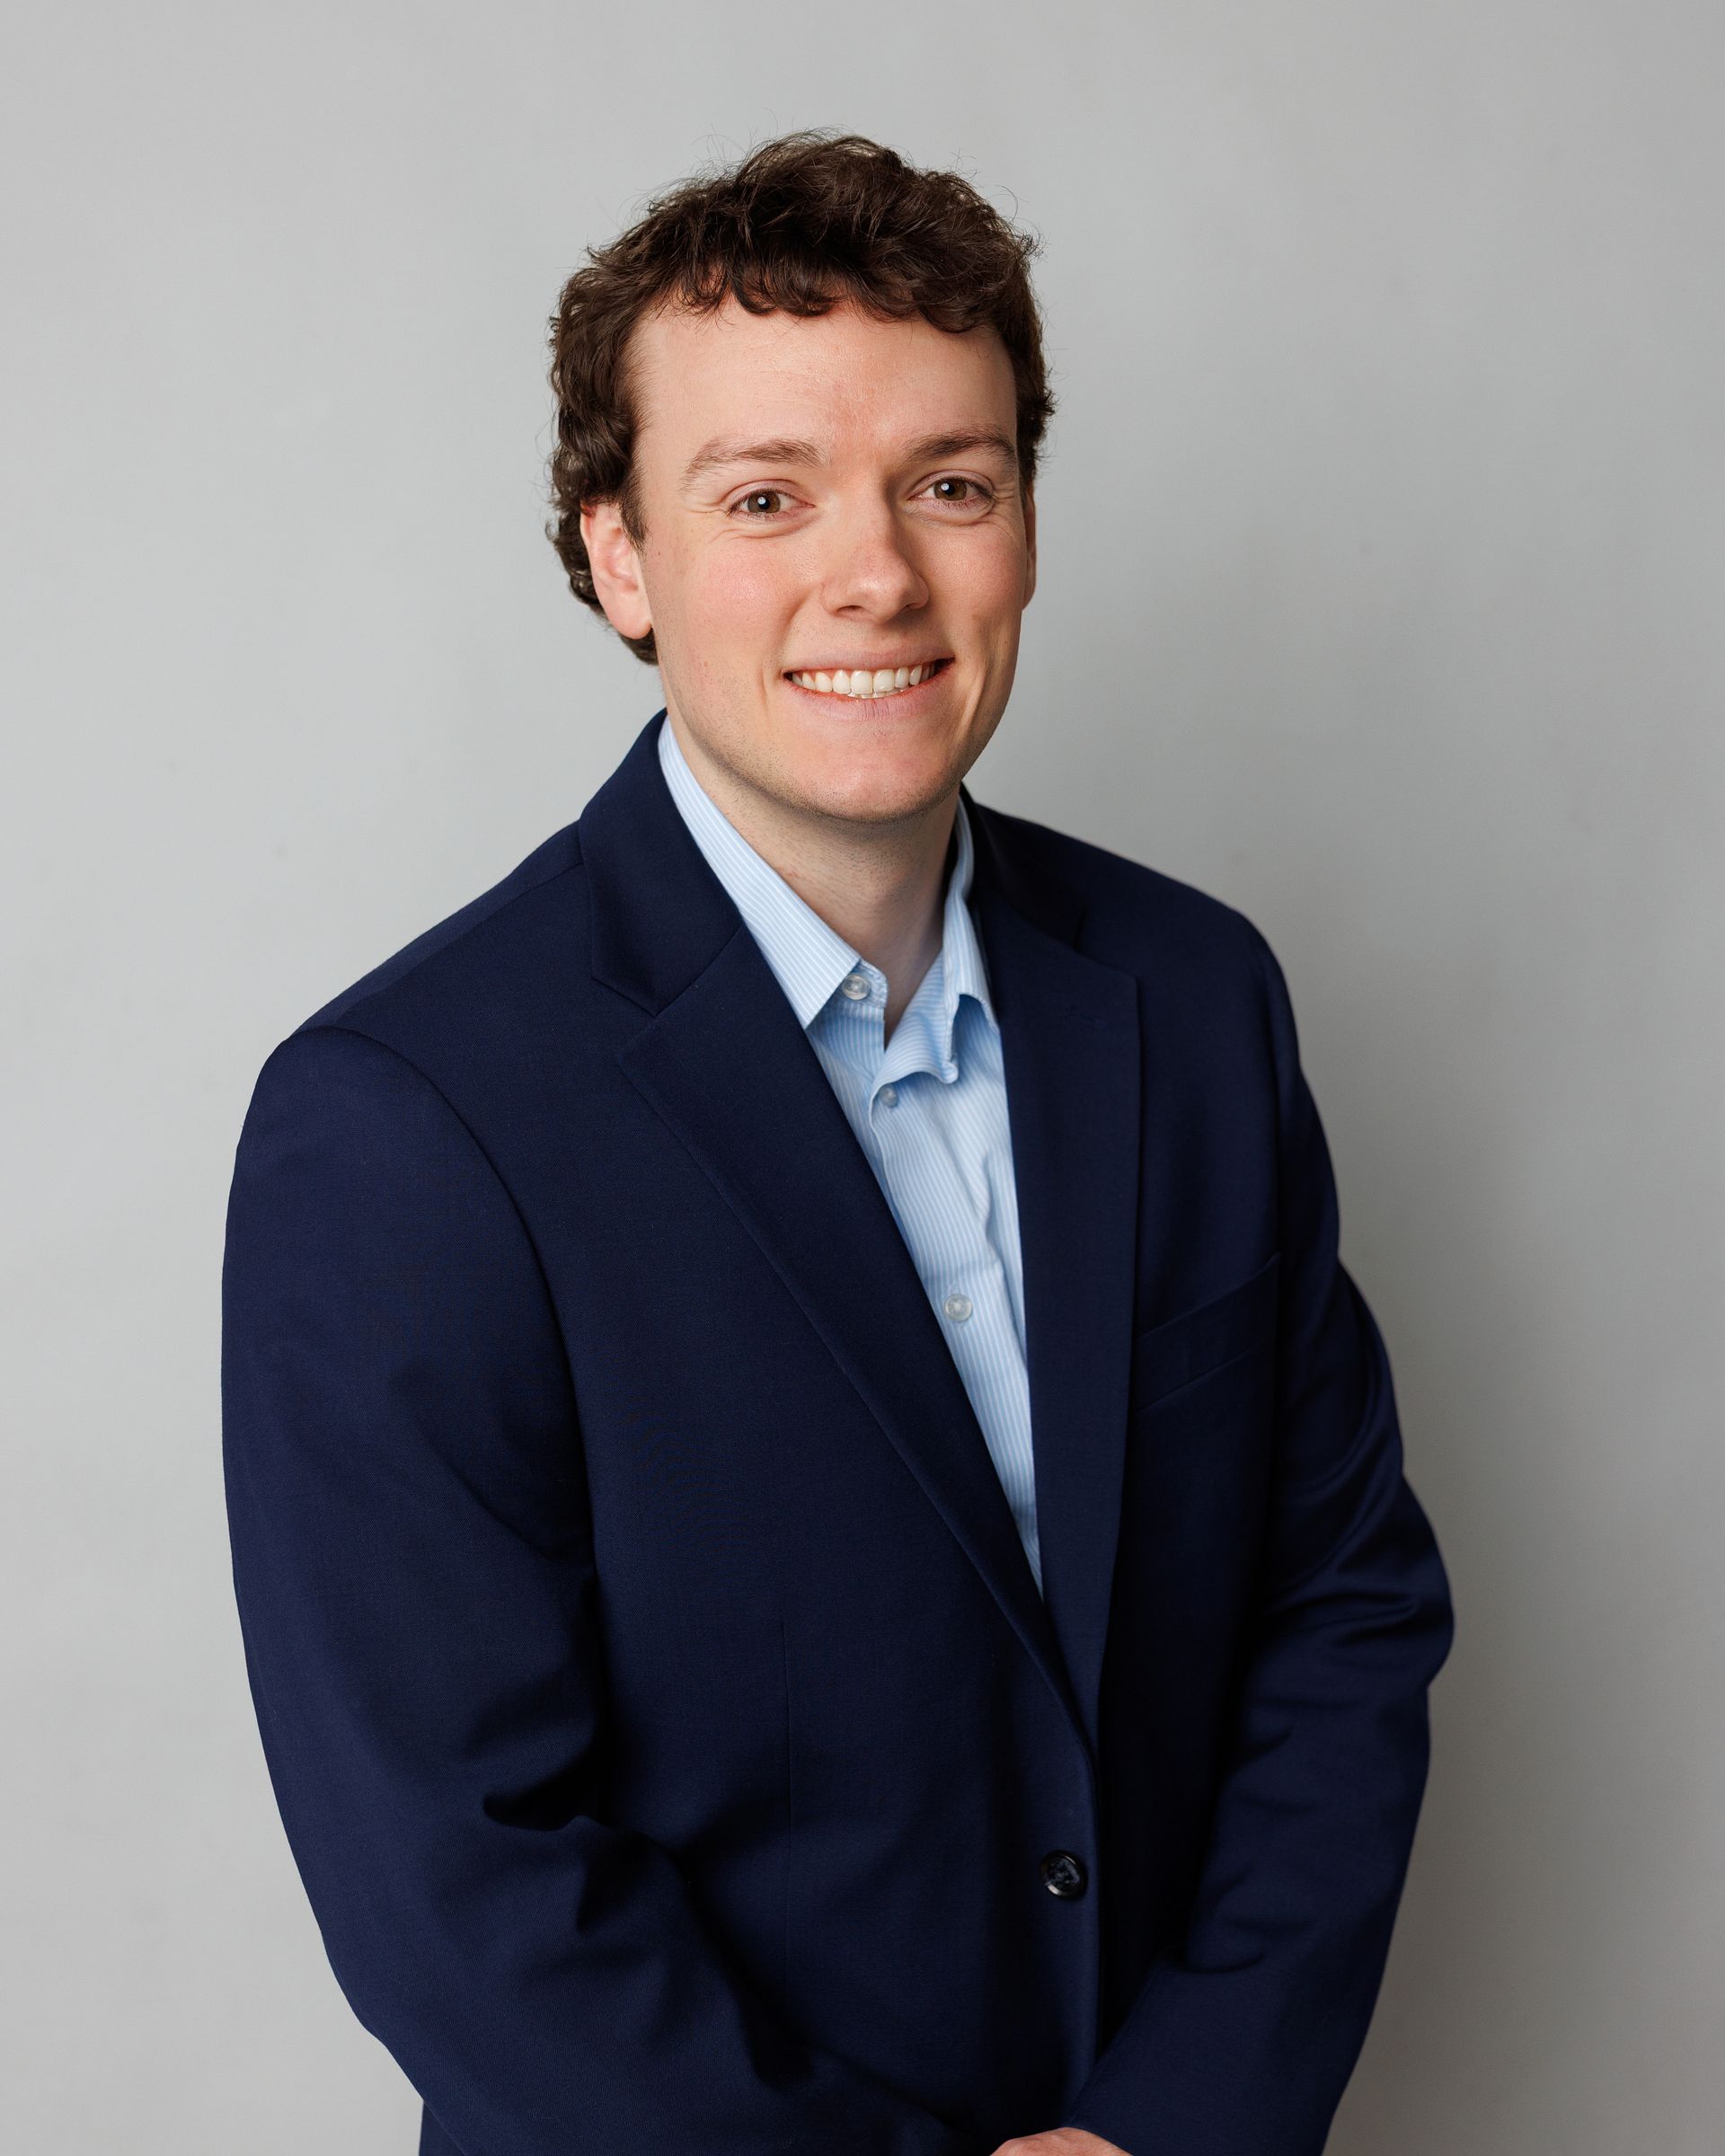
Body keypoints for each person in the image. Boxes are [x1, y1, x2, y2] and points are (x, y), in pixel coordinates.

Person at [221, 130, 1454, 2156]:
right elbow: (460, 1875)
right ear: (618, 555)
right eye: (767, 497)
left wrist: (1178, 2125)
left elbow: (1341, 1611)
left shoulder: (1197, 999)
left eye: (948, 485)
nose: (875, 573)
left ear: (1026, 525)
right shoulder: (405, 1125)